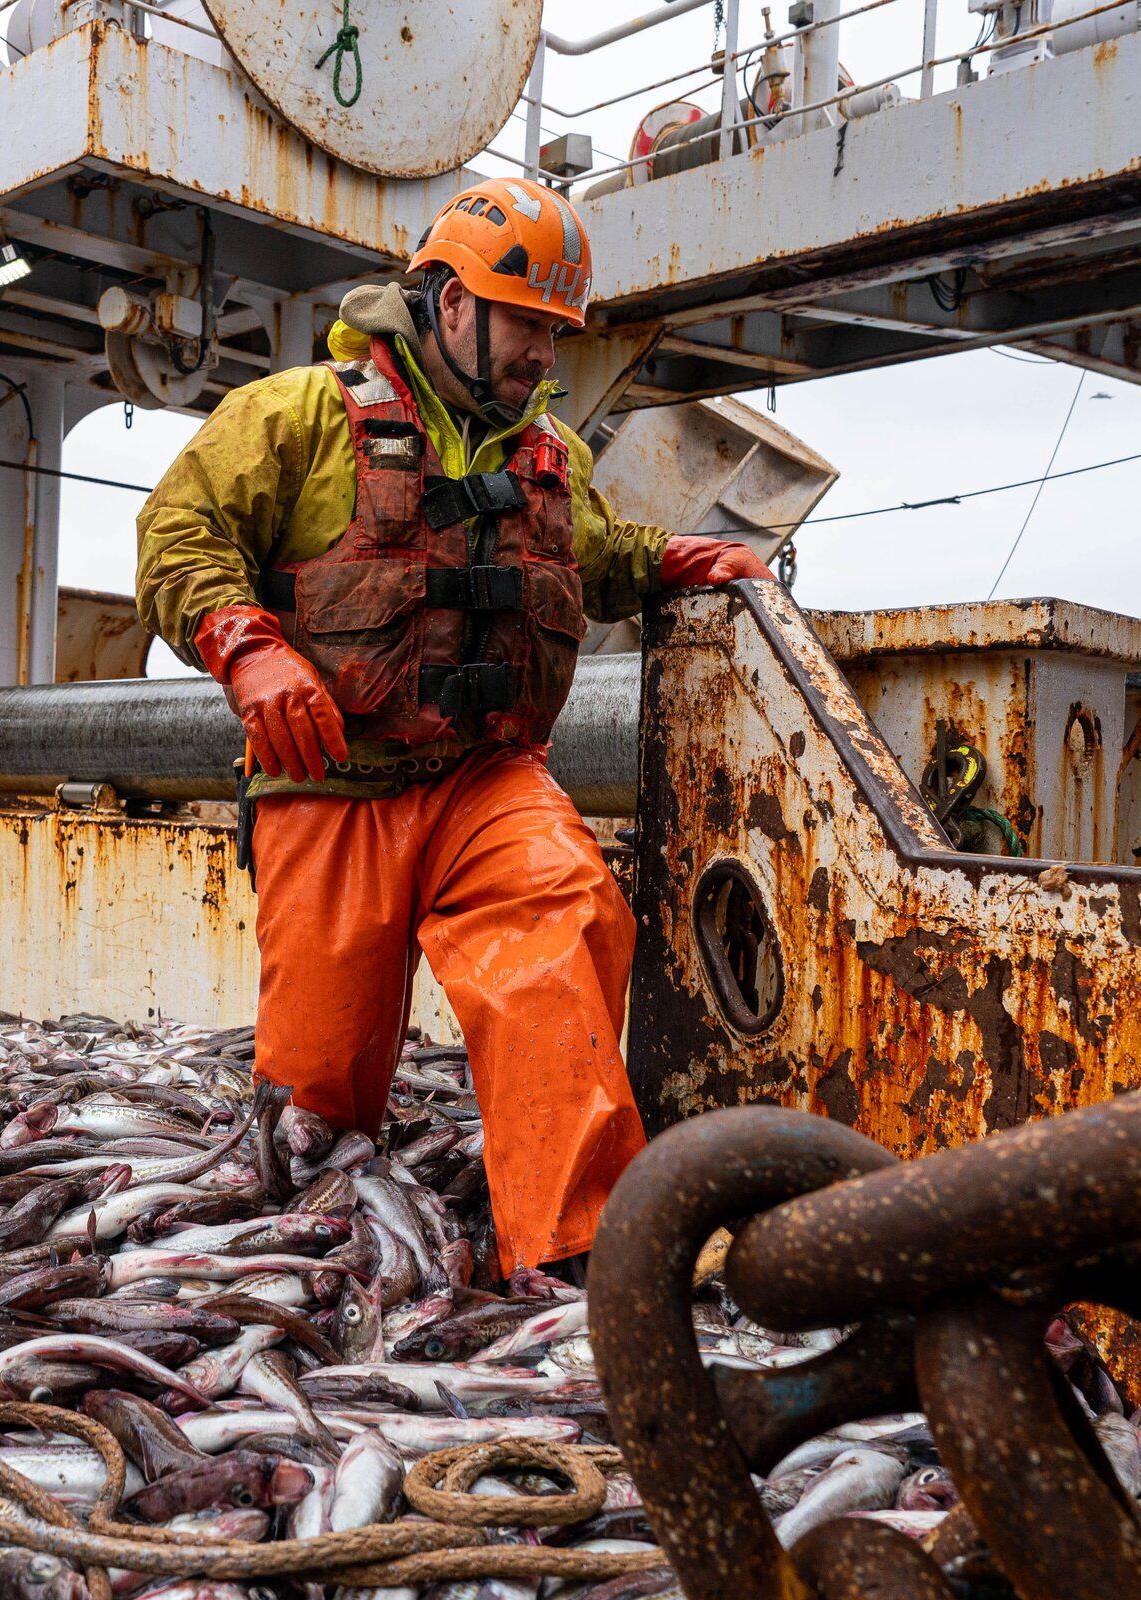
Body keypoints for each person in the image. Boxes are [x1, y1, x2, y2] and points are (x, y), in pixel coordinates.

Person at [133, 176, 776, 1277]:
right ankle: (325, 1261)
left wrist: (671, 562)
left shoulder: (553, 457)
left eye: (556, 331)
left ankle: (575, 1259)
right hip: (332, 785)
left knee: (566, 916)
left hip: (488, 779)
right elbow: (177, 530)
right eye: (526, 322)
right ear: (445, 300)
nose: (544, 353)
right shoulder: (294, 415)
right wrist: (246, 645)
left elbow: (588, 557)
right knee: (316, 1106)